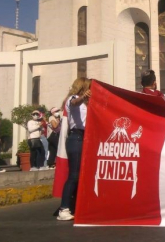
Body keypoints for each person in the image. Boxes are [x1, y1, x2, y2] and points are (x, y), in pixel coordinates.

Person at [58, 77, 91, 221]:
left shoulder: (86, 102)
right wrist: (83, 98)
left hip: (84, 138)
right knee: (74, 174)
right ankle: (64, 208)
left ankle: (75, 204)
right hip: (76, 137)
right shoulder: (73, 98)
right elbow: (74, 102)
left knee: (82, 174)